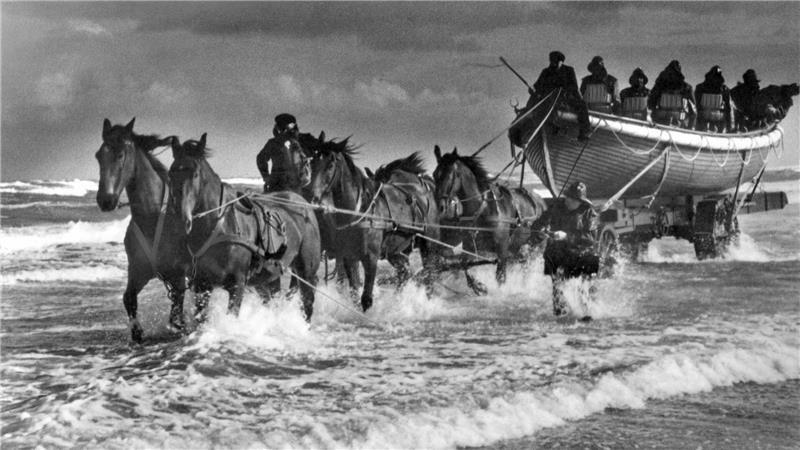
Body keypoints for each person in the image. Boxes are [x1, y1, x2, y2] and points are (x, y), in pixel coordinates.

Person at [538, 181, 599, 317]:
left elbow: (590, 239)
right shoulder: (557, 207)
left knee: (583, 290)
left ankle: (588, 316)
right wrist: (541, 230)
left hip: (582, 255)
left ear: (580, 201)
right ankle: (560, 315)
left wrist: (566, 236)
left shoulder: (590, 213)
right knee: (557, 286)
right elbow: (540, 222)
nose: (568, 201)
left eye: (573, 199)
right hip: (559, 254)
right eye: (568, 197)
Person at [527, 51, 591, 141]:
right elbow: (537, 86)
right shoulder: (546, 72)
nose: (553, 64)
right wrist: (532, 90)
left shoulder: (569, 70)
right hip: (549, 98)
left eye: (556, 62)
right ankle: (552, 127)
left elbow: (574, 87)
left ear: (561, 62)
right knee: (542, 107)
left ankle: (585, 132)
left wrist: (567, 93)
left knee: (582, 105)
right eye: (552, 61)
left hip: (566, 97)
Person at [257, 113, 312, 193]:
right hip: (294, 187)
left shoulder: (273, 142)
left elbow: (260, 158)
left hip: (277, 185)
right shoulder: (297, 143)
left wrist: (266, 177)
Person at [648, 60, 696, 128]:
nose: (672, 75)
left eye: (674, 73)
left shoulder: (686, 88)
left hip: (678, 125)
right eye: (670, 73)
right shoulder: (659, 86)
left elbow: (693, 111)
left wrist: (690, 127)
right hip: (660, 124)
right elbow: (651, 104)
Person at [694, 65, 732, 132]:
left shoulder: (700, 87)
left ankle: (698, 131)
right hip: (718, 116)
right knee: (726, 112)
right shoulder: (724, 89)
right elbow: (728, 107)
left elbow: (697, 103)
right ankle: (723, 132)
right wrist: (729, 126)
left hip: (703, 115)